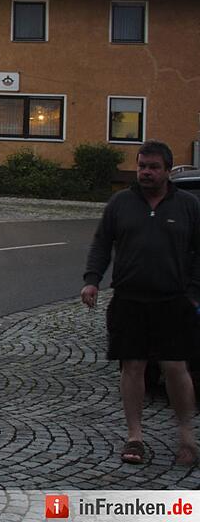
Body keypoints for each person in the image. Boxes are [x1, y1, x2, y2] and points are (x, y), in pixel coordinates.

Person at [82, 140, 199, 466]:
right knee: (132, 367)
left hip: (173, 301)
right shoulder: (121, 203)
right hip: (129, 300)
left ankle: (187, 437)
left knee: (176, 368)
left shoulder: (188, 205)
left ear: (167, 170)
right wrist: (92, 280)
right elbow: (102, 243)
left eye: (153, 167)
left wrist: (193, 294)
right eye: (142, 166)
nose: (146, 172)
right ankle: (135, 437)